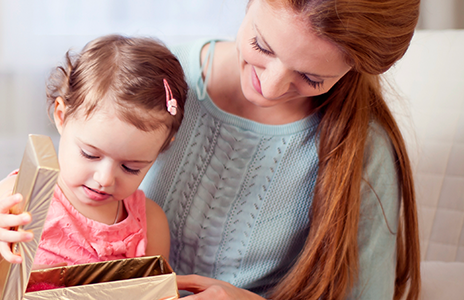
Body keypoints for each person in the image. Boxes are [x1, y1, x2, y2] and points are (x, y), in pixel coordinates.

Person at [138, 0, 421, 299]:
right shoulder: (151, 85)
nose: (269, 88)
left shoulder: (363, 150)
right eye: (262, 46)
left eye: (312, 78)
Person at [0, 34, 189, 294]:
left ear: (162, 147)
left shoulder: (149, 222)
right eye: (90, 154)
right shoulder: (19, 199)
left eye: (131, 167)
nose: (105, 178)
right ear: (61, 116)